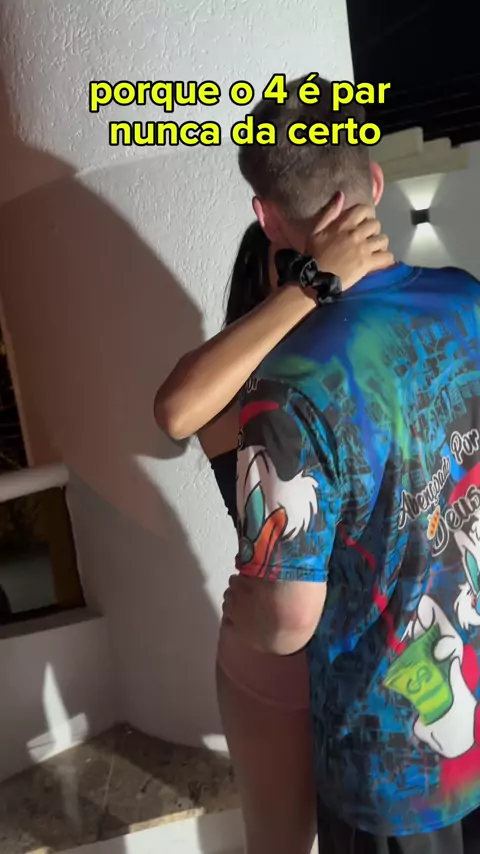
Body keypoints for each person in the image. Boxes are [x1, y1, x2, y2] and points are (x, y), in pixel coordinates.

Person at [223, 74, 480, 854]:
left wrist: (246, 609)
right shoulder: (468, 303)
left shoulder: (283, 388)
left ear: (267, 217)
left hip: (387, 773)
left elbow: (286, 624)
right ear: (373, 179)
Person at [155, 199, 392, 854]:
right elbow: (175, 411)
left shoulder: (369, 368)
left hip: (373, 652)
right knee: (281, 845)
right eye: (292, 265)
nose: (324, 275)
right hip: (274, 660)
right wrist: (310, 283)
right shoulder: (249, 398)